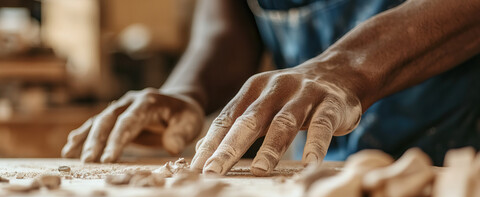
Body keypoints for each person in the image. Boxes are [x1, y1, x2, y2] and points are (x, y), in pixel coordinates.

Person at [62, 0, 480, 176]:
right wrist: (188, 90)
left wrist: (347, 67)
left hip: (459, 151)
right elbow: (228, 23)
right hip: (327, 164)